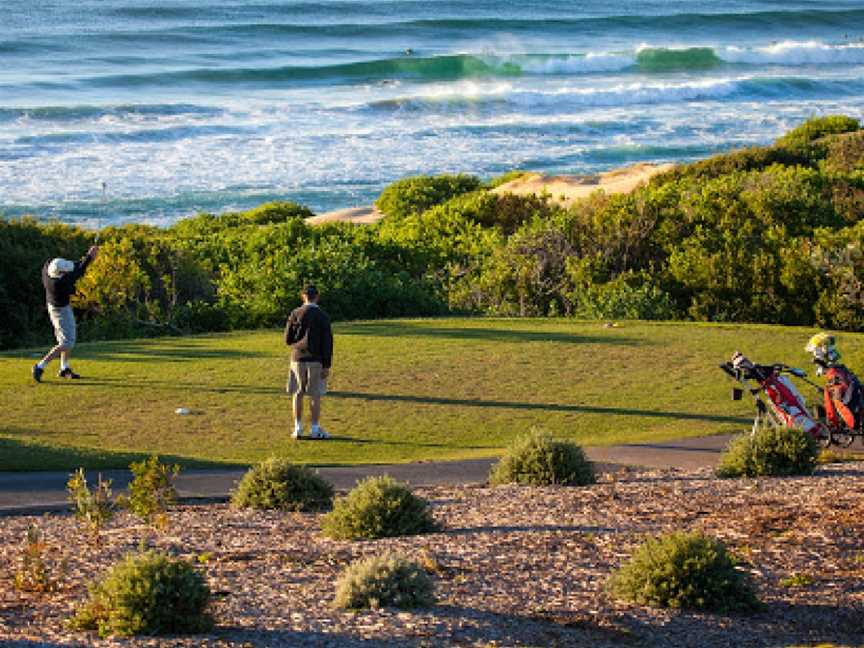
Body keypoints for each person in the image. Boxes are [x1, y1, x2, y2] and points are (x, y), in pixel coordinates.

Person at [32, 246, 99, 382]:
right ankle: (40, 366)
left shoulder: (47, 268)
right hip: (60, 310)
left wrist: (87, 257)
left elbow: (74, 267)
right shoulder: (60, 283)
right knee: (67, 342)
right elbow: (79, 271)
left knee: (64, 339)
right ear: (60, 273)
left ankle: (64, 368)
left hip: (54, 306)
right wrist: (90, 257)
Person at [284, 285, 333, 439]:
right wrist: (327, 365)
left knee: (298, 393)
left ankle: (298, 427)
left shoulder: (295, 313)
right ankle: (314, 428)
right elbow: (327, 343)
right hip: (316, 359)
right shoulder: (322, 316)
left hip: (298, 357)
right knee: (315, 395)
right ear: (317, 297)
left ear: (302, 296)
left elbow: (287, 339)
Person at [805, 332, 863, 431]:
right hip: (841, 377)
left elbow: (824, 365)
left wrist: (819, 365)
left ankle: (833, 422)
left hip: (836, 378)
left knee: (830, 395)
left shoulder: (825, 354)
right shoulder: (833, 357)